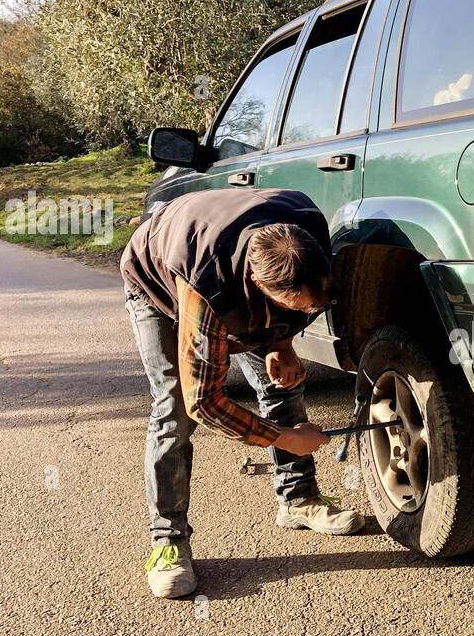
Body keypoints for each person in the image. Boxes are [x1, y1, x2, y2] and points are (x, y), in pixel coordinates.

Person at [120, 188, 365, 599]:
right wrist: (288, 438)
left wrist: (281, 345)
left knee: (281, 383)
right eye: (295, 306)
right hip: (157, 283)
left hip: (233, 262)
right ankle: (169, 541)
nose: (308, 311)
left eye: (310, 307)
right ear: (257, 285)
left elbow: (301, 299)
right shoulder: (206, 286)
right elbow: (205, 403)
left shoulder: (309, 240)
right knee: (175, 409)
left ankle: (298, 500)